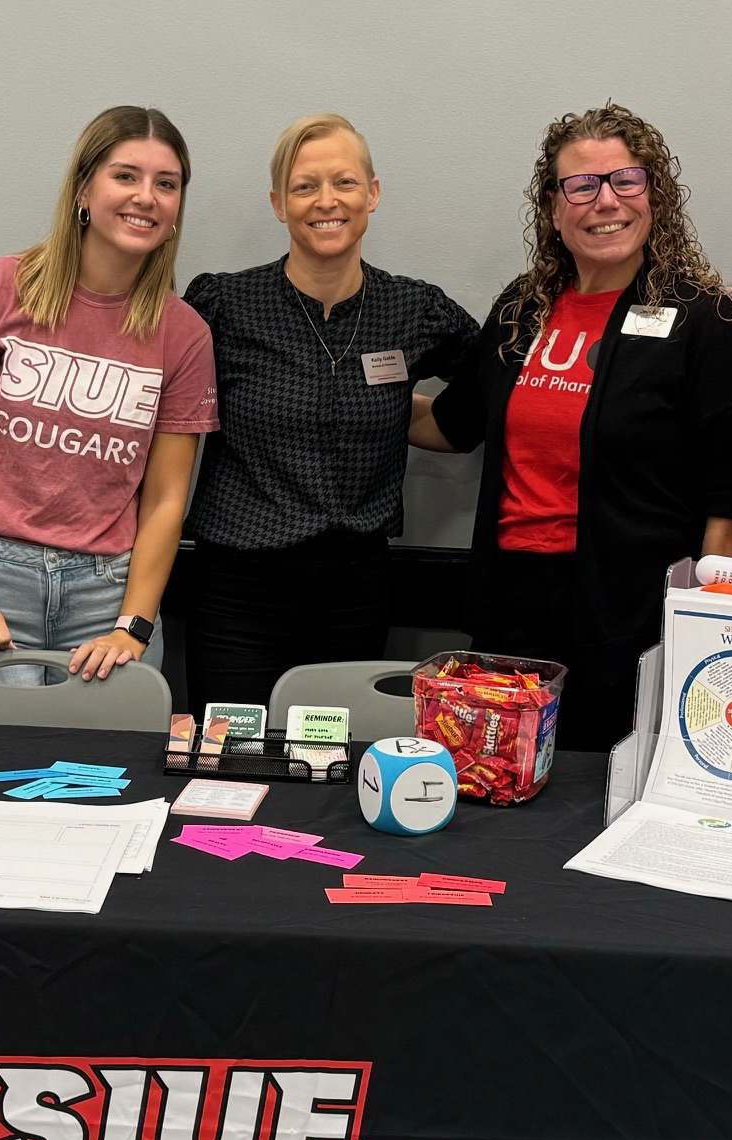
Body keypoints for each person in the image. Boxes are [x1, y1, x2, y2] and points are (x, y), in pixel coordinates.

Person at [409, 103, 732, 751]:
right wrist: (349, 394)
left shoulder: (698, 319)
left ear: (653, 195)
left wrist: (710, 620)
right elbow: (455, 425)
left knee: (603, 790)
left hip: (630, 610)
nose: (606, 202)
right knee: (504, 779)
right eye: (582, 186)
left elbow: (725, 489)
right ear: (552, 207)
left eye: (625, 181)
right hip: (511, 603)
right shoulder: (522, 308)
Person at [181, 114, 478, 712]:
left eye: (344, 182)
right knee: (236, 761)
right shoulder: (224, 304)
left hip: (355, 588)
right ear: (277, 203)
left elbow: (487, 398)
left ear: (372, 192)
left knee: (330, 764)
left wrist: (403, 413)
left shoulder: (413, 308)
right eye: (304, 186)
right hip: (237, 586)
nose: (326, 201)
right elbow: (166, 413)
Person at [0, 106, 218, 682]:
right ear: (84, 189)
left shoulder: (184, 335)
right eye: (125, 176)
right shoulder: (1, 287)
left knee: (102, 774)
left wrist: (134, 624)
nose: (146, 197)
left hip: (106, 598)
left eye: (167, 184)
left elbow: (164, 500)